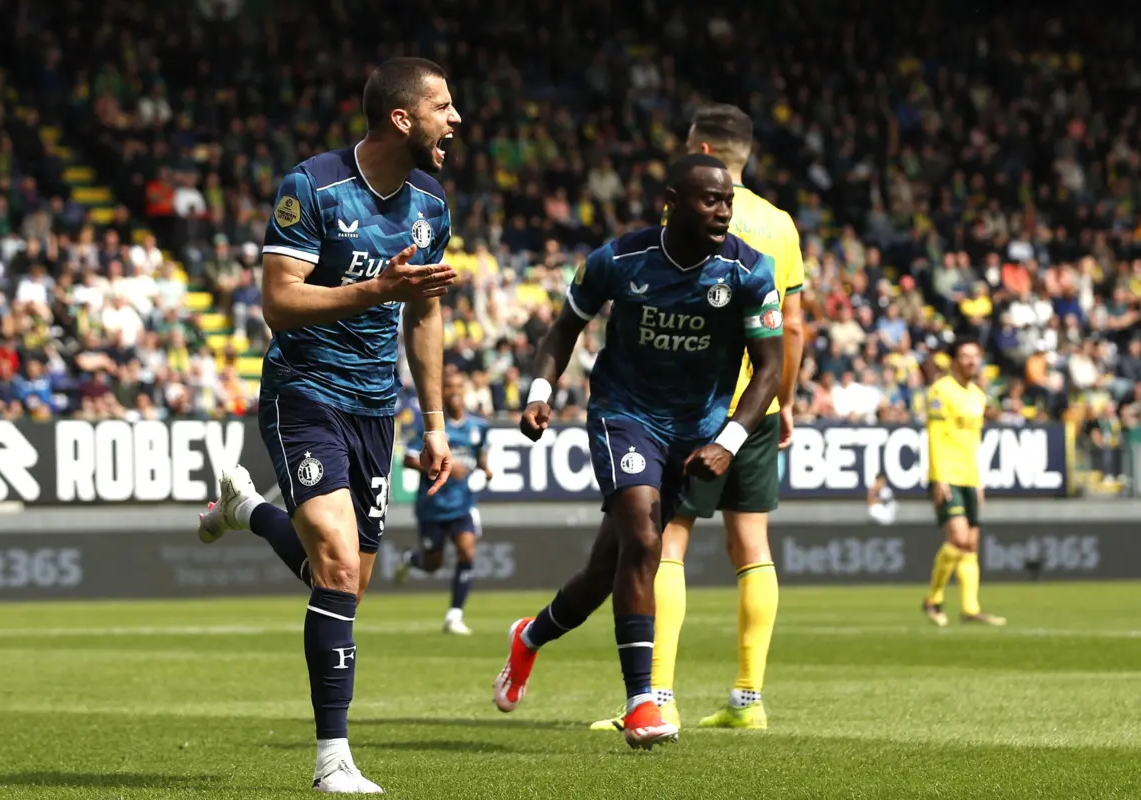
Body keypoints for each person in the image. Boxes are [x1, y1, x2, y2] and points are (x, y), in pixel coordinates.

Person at [195, 57, 461, 794]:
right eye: (443, 106)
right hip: (304, 392)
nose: (456, 119)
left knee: (339, 581)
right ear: (402, 118)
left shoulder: (431, 204)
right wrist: (374, 288)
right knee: (339, 565)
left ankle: (248, 511)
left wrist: (435, 424)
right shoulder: (311, 186)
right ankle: (333, 761)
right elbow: (279, 304)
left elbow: (425, 313)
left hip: (376, 408)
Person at [492, 153, 785, 750]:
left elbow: (771, 367)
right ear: (671, 203)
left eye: (728, 201)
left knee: (609, 568)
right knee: (647, 540)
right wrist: (540, 392)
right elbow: (563, 328)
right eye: (710, 200)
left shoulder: (750, 270)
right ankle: (642, 702)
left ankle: (529, 637)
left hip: (696, 430)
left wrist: (727, 441)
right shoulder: (619, 260)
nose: (723, 212)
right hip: (623, 413)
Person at [591, 104, 804, 734]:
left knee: (668, 542)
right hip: (758, 405)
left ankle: (658, 694)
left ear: (703, 151)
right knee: (753, 546)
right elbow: (792, 327)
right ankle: (748, 698)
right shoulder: (781, 224)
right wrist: (785, 401)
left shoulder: (689, 208)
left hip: (695, 408)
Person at [395, 369, 492, 635]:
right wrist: (441, 467)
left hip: (463, 503)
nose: (455, 391)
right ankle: (409, 558)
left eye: (459, 386)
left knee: (467, 552)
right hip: (433, 505)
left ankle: (454, 615)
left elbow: (480, 454)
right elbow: (408, 459)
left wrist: (485, 469)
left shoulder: (479, 425)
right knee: (432, 564)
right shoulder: (431, 426)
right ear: (442, 392)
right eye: (449, 387)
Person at [923, 337, 1006, 628]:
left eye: (975, 356)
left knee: (970, 544)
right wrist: (939, 477)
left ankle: (971, 608)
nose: (972, 361)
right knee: (957, 540)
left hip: (970, 476)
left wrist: (979, 480)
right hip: (947, 475)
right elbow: (934, 436)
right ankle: (933, 599)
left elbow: (974, 442)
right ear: (954, 360)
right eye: (966, 356)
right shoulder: (940, 391)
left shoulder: (978, 396)